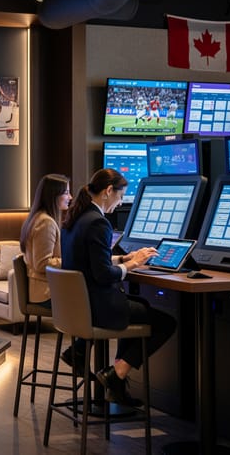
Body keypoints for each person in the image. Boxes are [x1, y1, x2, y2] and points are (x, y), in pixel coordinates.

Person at [60, 168, 176, 405]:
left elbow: (89, 262)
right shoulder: (98, 223)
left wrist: (123, 259)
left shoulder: (75, 219)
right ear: (108, 191)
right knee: (165, 322)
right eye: (121, 196)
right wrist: (133, 265)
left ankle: (93, 360)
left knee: (137, 309)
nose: (121, 202)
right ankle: (117, 373)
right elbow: (103, 275)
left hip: (80, 307)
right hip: (100, 307)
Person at [19, 174, 71, 308]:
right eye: (66, 193)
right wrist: (72, 260)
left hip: (43, 290)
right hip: (46, 293)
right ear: (53, 195)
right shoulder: (46, 222)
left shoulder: (38, 218)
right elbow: (42, 264)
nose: (70, 198)